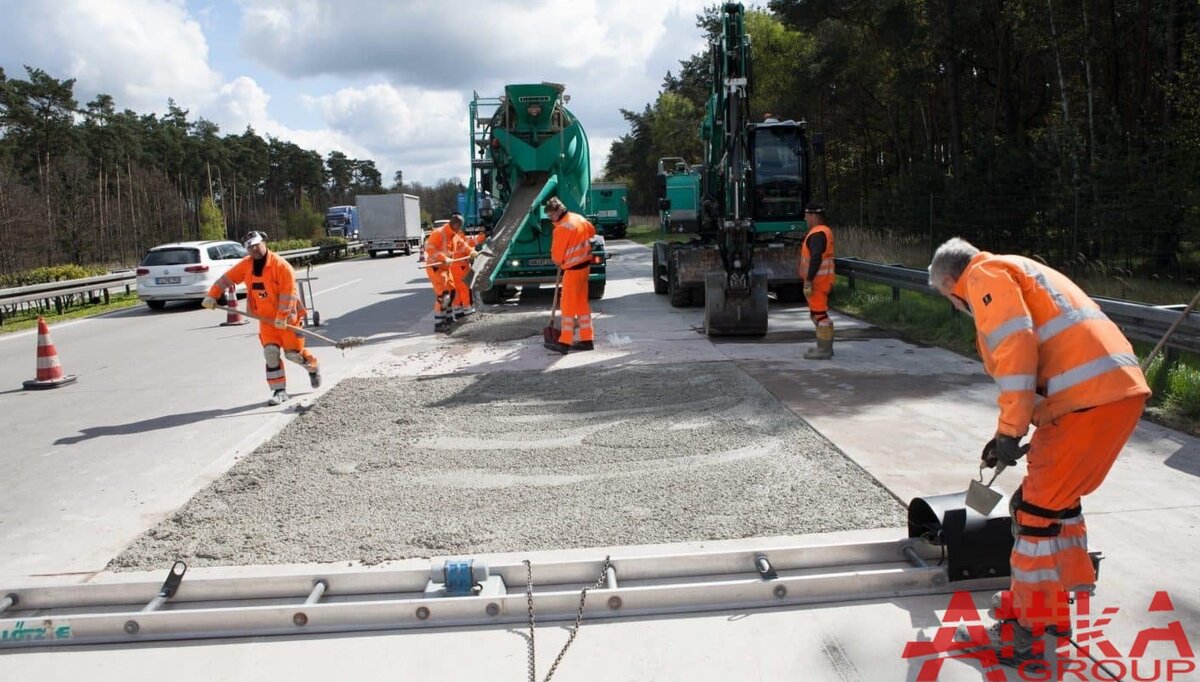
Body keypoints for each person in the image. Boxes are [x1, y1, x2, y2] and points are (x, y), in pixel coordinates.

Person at [928, 237, 1150, 669]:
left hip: (1087, 403)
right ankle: (1052, 613)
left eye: (948, 298)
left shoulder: (984, 279)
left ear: (953, 281)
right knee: (1056, 507)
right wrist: (1010, 431)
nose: (956, 306)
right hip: (1109, 397)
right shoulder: (1017, 268)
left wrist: (1009, 430)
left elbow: (1016, 349)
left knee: (1033, 516)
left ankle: (1028, 633)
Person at [202, 231, 320, 406]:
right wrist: (213, 295)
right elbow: (226, 279)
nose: (254, 249)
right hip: (266, 320)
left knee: (293, 355)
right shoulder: (246, 265)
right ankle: (279, 391)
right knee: (270, 354)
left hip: (288, 320)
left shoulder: (281, 266)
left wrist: (282, 316)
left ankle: (312, 366)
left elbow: (289, 294)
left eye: (257, 245)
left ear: (264, 243)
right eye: (250, 247)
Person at [545, 196, 597, 354]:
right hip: (584, 268)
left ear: (557, 211)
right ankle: (587, 339)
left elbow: (556, 257)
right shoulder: (579, 218)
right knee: (581, 305)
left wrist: (560, 259)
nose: (550, 218)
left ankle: (564, 342)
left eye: (551, 216)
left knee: (567, 307)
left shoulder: (561, 229)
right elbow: (592, 231)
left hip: (573, 271)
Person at [424, 214, 473, 333]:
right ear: (455, 224)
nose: (461, 229)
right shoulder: (438, 233)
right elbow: (430, 248)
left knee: (451, 293)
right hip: (436, 268)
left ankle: (449, 318)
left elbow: (463, 245)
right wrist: (443, 257)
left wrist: (472, 251)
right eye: (460, 226)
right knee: (444, 296)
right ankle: (439, 323)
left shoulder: (454, 235)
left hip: (445, 268)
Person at [799, 202, 835, 359]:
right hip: (821, 280)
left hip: (817, 283)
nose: (805, 218)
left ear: (813, 216)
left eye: (807, 215)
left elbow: (815, 259)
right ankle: (825, 347)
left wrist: (808, 280)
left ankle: (824, 350)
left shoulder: (817, 235)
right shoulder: (823, 232)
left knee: (820, 316)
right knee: (817, 314)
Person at [449, 215, 486, 319]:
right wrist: (483, 236)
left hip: (452, 268)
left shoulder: (450, 236)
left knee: (457, 289)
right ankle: (468, 309)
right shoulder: (459, 237)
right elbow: (471, 244)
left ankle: (458, 310)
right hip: (461, 267)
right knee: (465, 288)